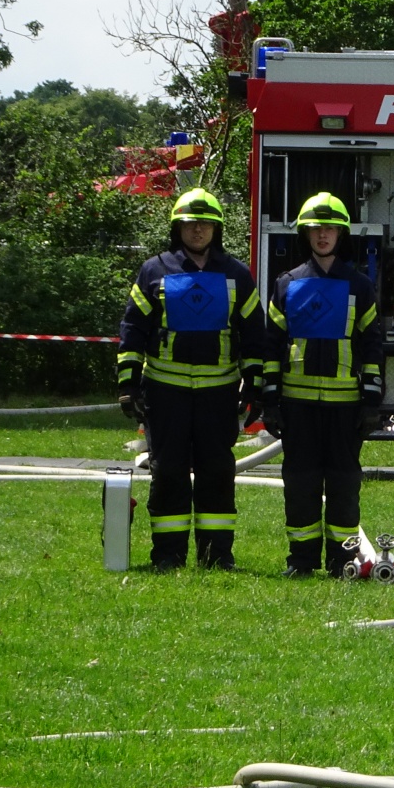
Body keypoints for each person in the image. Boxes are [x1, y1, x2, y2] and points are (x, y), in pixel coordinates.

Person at [116, 188, 264, 571]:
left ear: (216, 228)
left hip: (218, 393)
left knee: (217, 472)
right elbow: (133, 328)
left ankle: (217, 556)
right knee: (168, 473)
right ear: (176, 228)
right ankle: (167, 554)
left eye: (204, 223)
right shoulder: (154, 270)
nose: (197, 230)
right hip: (166, 393)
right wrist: (128, 385)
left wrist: (256, 382)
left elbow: (253, 333)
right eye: (189, 223)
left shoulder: (235, 274)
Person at [261, 193, 384, 579]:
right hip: (297, 405)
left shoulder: (359, 286)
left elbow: (373, 344)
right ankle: (301, 561)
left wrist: (372, 399)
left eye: (329, 228)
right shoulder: (287, 285)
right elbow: (272, 344)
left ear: (341, 234)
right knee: (300, 485)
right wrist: (270, 398)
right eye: (315, 229)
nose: (323, 235)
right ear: (305, 234)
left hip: (346, 406)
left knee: (344, 485)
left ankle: (344, 561)